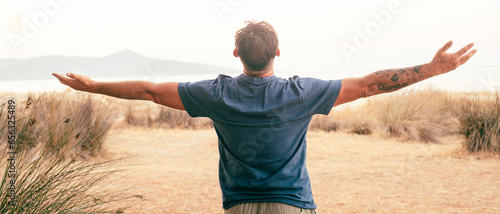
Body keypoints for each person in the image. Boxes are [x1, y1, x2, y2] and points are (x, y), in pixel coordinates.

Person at [53, 20, 476, 214]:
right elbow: (369, 83)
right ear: (277, 53)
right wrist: (433, 69)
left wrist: (93, 87)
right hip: (292, 205)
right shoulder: (301, 93)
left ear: (236, 54)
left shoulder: (215, 95)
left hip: (238, 206)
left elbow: (147, 90)